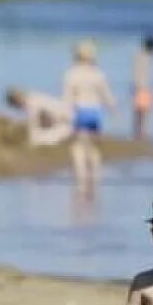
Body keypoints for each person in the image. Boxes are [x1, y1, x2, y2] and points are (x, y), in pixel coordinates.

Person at [64, 39, 117, 193]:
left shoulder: (72, 74)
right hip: (95, 112)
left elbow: (68, 97)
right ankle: (95, 176)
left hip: (80, 111)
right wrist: (113, 109)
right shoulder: (98, 74)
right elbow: (106, 95)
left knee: (78, 147)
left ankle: (81, 178)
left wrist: (66, 115)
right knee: (94, 147)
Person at [5, 87, 72, 147]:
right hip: (65, 122)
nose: (18, 107)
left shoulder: (33, 101)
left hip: (69, 120)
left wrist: (30, 142)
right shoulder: (34, 100)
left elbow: (34, 123)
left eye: (17, 101)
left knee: (38, 138)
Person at [132, 34, 153, 140]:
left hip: (139, 86)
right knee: (144, 113)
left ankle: (138, 132)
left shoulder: (139, 55)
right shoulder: (146, 57)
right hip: (143, 87)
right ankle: (142, 133)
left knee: (139, 112)